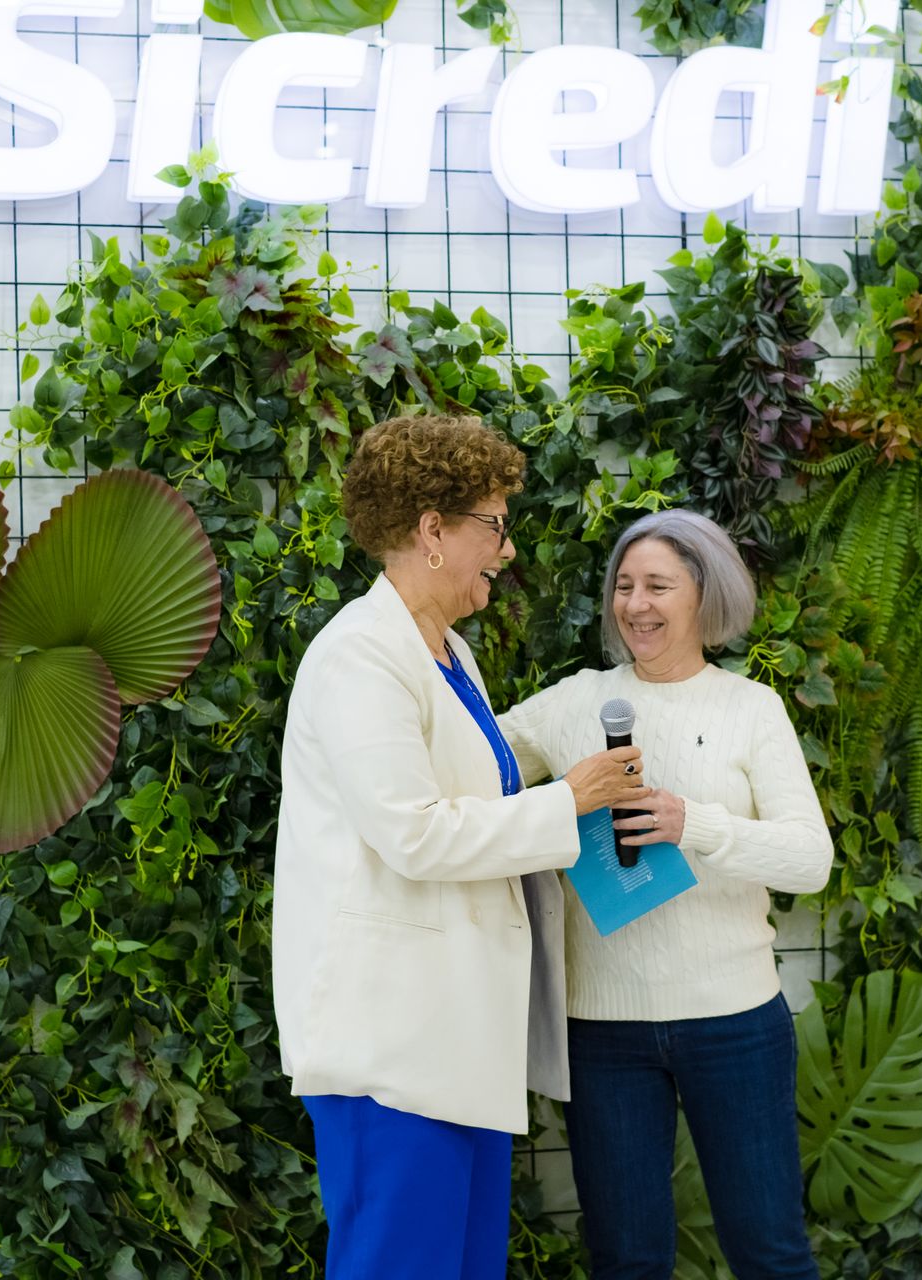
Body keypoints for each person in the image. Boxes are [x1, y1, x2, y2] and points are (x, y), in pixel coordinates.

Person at [273, 413, 648, 1279]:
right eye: (494, 524)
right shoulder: (360, 659)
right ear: (431, 530)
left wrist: (571, 785)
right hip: (392, 1052)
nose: (506, 550)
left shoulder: (449, 655)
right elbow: (415, 831)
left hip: (458, 1043)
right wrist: (567, 802)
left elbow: (473, 796)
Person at [499, 509, 832, 1280]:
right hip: (602, 1034)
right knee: (625, 1260)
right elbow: (476, 765)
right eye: (623, 586)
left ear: (703, 596)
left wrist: (695, 823)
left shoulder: (752, 709)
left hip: (734, 1025)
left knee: (771, 1253)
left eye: (657, 586)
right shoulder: (574, 703)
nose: (635, 605)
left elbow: (810, 859)